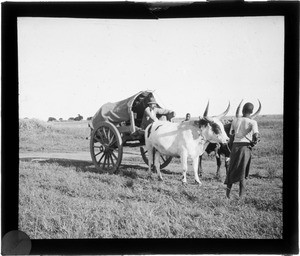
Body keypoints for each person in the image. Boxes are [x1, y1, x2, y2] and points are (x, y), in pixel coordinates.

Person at [224, 102, 260, 199]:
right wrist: (254, 141)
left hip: (235, 147)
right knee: (243, 172)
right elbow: (256, 135)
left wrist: (232, 148)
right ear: (252, 111)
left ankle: (227, 195)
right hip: (245, 148)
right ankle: (241, 197)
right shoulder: (253, 122)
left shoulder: (235, 120)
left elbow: (231, 135)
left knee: (231, 170)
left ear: (243, 110)